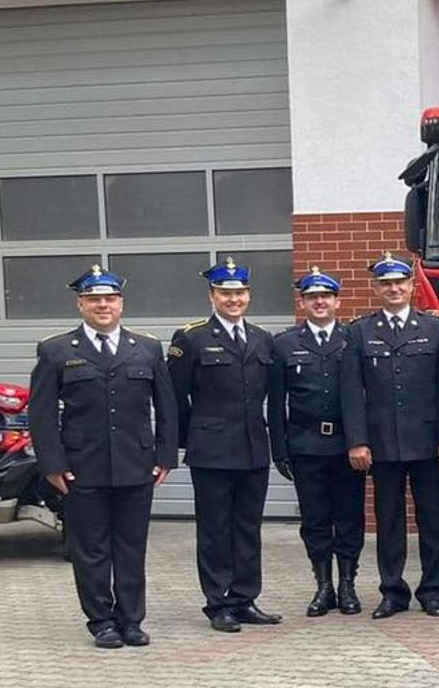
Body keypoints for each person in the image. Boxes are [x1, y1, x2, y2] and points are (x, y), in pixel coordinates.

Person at [29, 266, 177, 649]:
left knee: (131, 548)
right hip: (82, 468)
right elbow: (41, 413)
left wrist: (165, 455)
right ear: (81, 304)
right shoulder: (56, 349)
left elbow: (167, 405)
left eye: (109, 298)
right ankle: (101, 621)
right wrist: (52, 464)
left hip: (136, 465)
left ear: (121, 303)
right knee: (91, 549)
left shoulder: (146, 347)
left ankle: (131, 619)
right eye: (94, 299)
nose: (103, 305)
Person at [340, 252, 439, 619]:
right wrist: (357, 440)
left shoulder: (434, 328)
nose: (393, 289)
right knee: (388, 521)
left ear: (410, 286)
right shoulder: (360, 331)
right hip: (383, 444)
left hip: (427, 443)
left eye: (399, 283)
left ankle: (433, 591)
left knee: (432, 520)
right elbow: (350, 392)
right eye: (386, 283)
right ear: (376, 288)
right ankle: (393, 591)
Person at [169, 257, 280, 633]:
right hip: (212, 451)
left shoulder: (263, 339)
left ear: (248, 295)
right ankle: (218, 602)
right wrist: (188, 440)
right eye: (225, 293)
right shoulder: (192, 337)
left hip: (252, 449)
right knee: (215, 530)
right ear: (212, 296)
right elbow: (174, 398)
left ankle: (245, 598)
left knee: (248, 528)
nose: (233, 299)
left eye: (239, 292)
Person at [268, 268, 363, 618]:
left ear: (337, 301)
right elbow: (276, 403)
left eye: (326, 296)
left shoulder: (353, 338)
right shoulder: (284, 344)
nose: (319, 302)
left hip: (346, 444)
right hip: (305, 444)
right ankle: (323, 587)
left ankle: (348, 585)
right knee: (315, 519)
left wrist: (362, 441)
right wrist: (280, 449)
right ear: (303, 302)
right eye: (312, 297)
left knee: (350, 516)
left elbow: (364, 396)